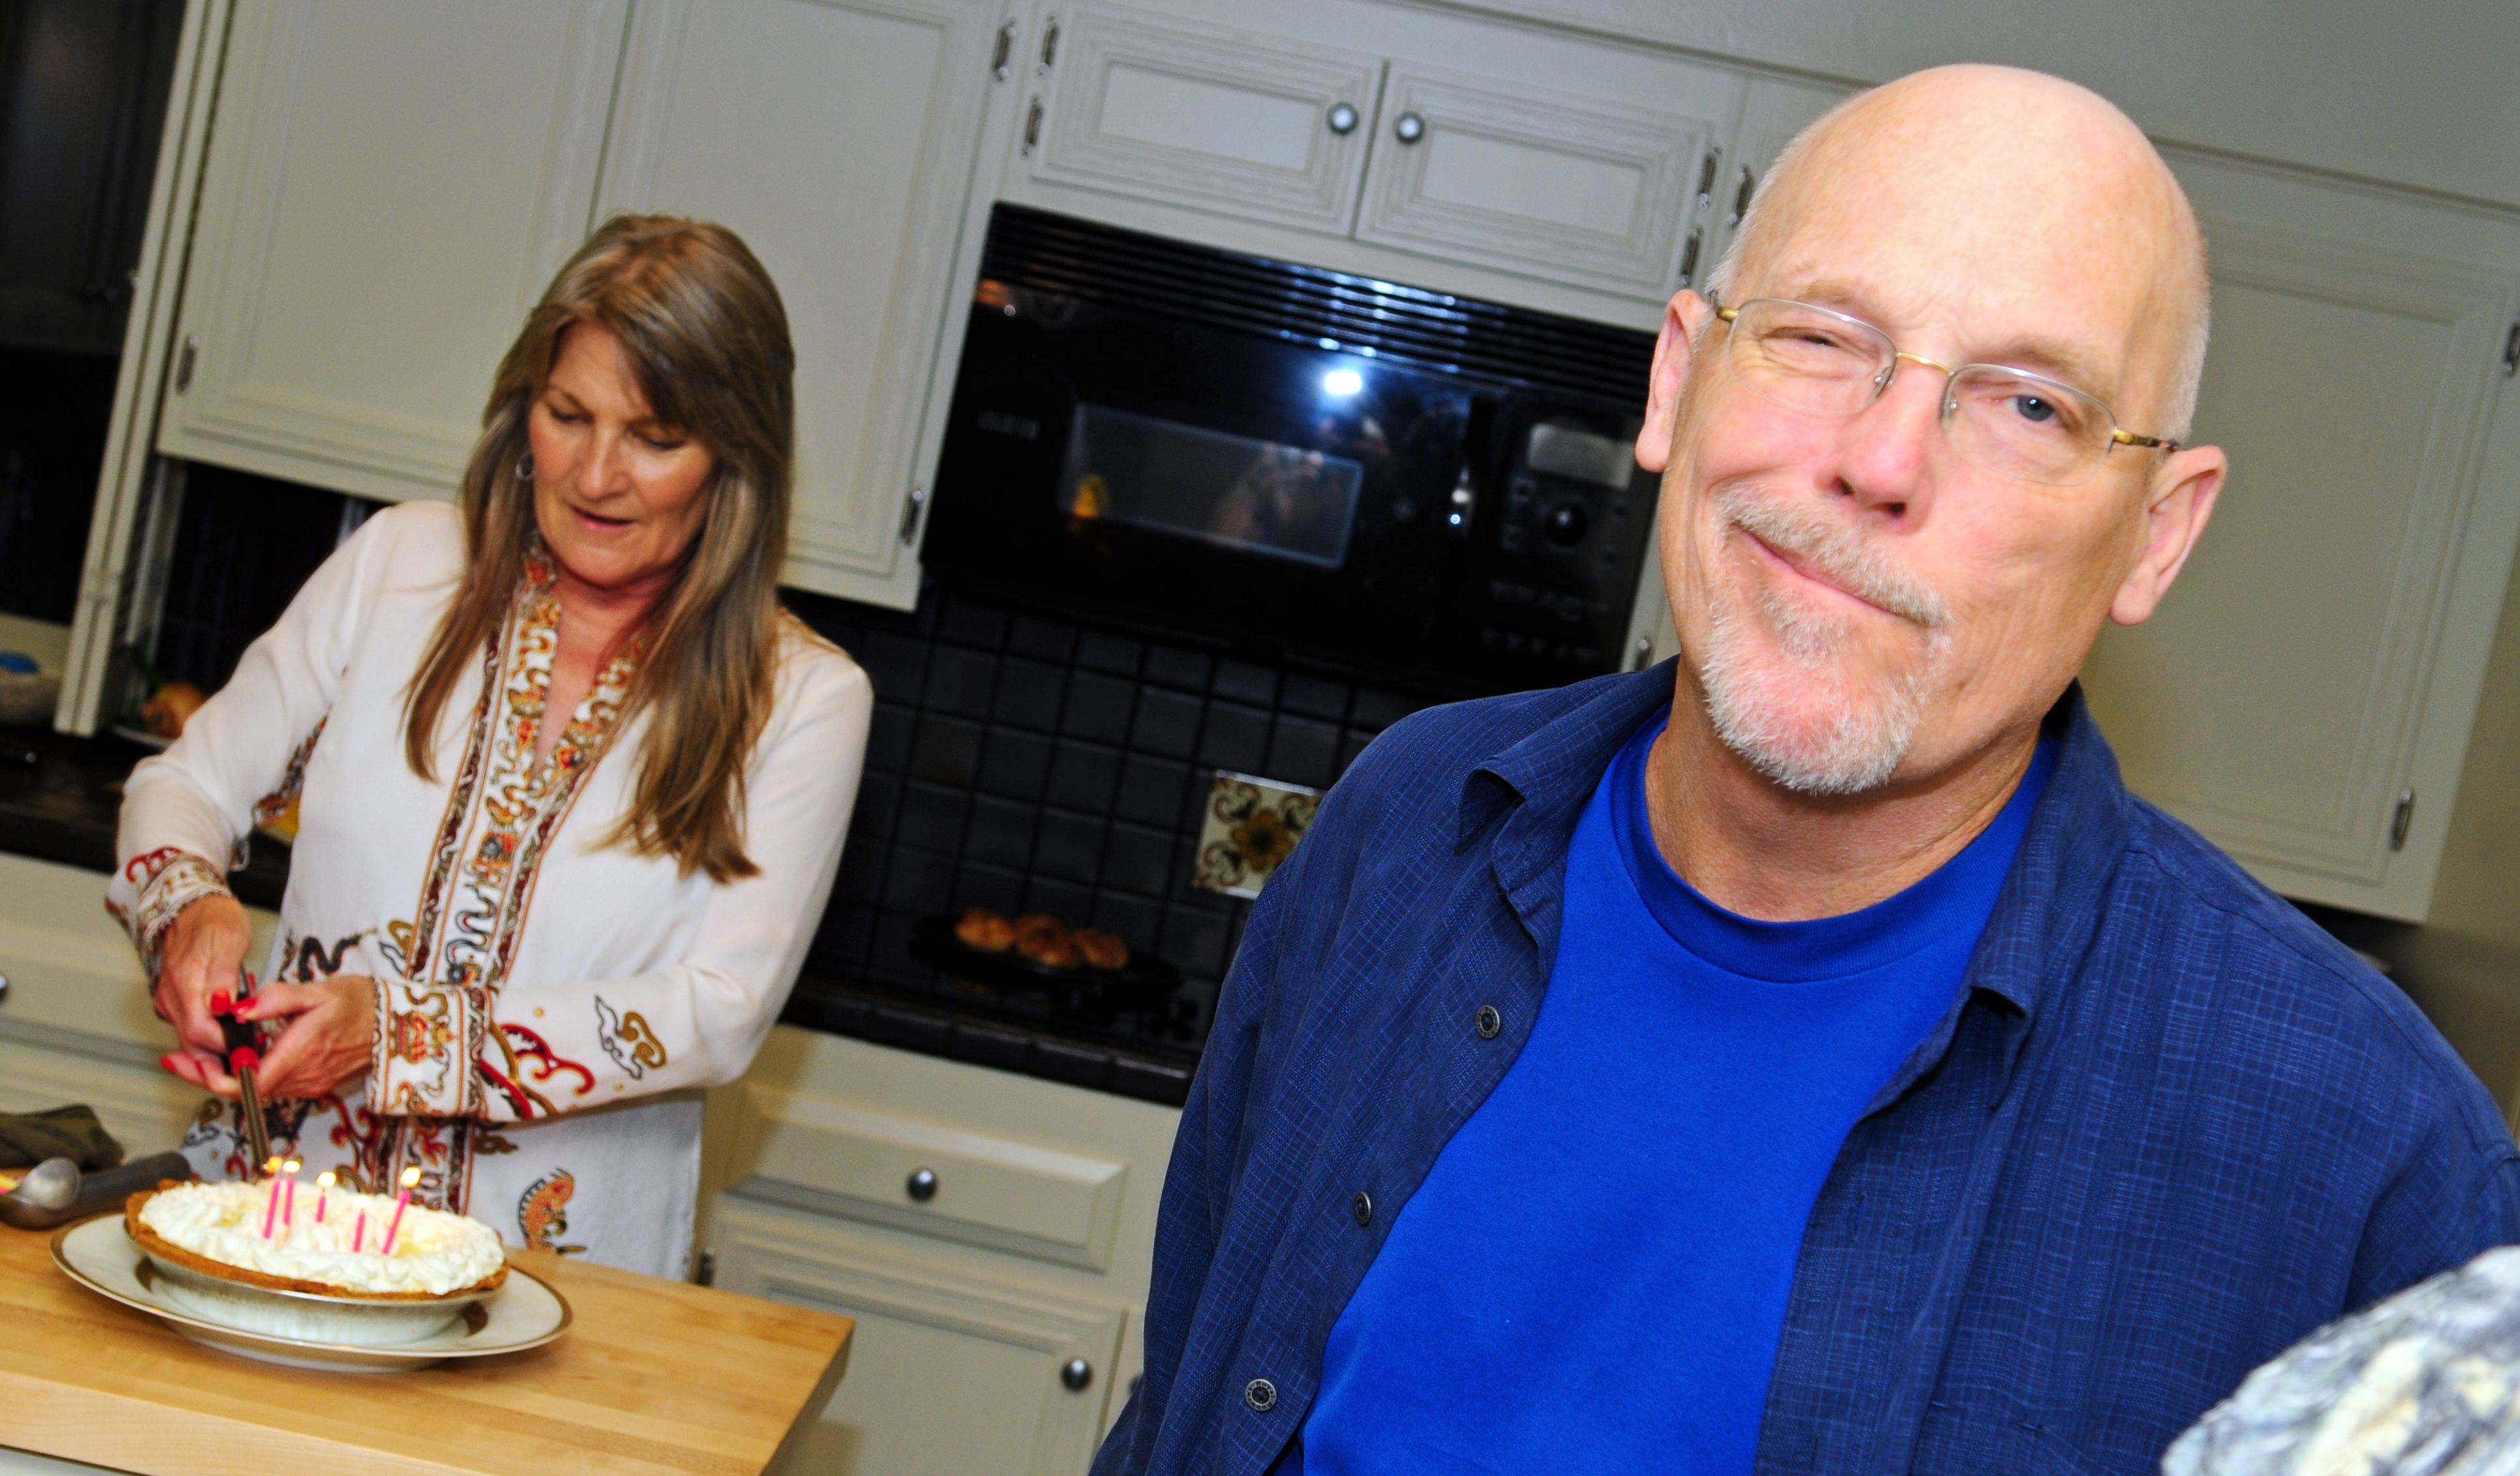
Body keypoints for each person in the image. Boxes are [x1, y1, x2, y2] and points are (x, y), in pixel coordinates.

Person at [1093, 65, 2520, 1476]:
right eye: (1820, 336)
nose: (1881, 458)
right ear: (1674, 378)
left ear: (2152, 532)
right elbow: (1178, 1415)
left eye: (2029, 404)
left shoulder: (2366, 1162)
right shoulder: (1410, 823)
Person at [110, 215, 872, 1277]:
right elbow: (185, 784)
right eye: (569, 415)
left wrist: (396, 1036)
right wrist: (189, 911)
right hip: (264, 1227)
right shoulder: (399, 566)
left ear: (734, 461)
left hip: (557, 1289)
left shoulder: (803, 700)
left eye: (654, 439)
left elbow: (717, 1012)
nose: (597, 474)